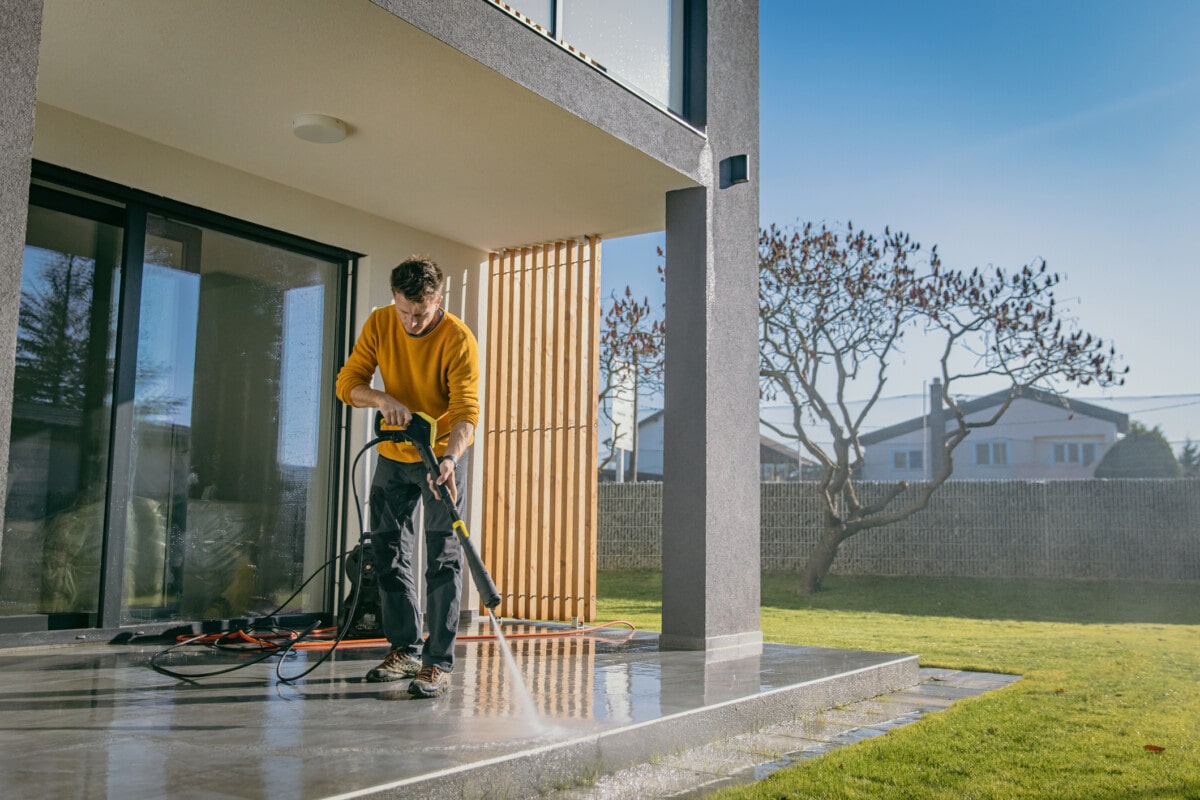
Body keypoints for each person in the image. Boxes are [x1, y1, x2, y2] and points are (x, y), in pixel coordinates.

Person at [335, 256, 480, 698]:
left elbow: (466, 414)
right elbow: (348, 383)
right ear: (394, 300)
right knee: (388, 551)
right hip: (392, 456)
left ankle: (437, 663)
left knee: (442, 557)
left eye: (420, 312)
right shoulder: (380, 323)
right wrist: (380, 397)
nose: (411, 322)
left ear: (438, 299)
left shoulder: (458, 339)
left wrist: (450, 460)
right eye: (404, 311)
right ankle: (405, 650)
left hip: (439, 458)